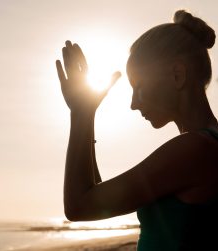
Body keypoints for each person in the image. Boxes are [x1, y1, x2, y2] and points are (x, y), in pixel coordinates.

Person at [56, 10, 218, 251]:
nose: (133, 103)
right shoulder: (205, 145)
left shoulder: (195, 150)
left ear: (177, 75)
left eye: (138, 87)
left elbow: (80, 206)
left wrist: (80, 114)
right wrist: (87, 115)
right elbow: (101, 199)